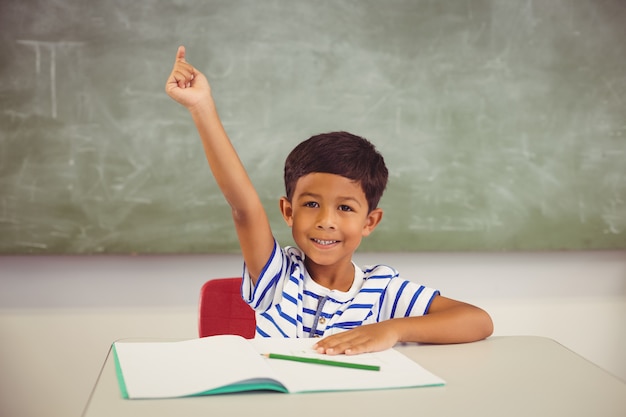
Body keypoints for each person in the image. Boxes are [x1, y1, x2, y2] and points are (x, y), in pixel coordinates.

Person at [166, 46, 493, 355]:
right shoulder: (278, 276)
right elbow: (243, 207)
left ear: (370, 222)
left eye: (345, 208)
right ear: (288, 211)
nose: (326, 220)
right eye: (310, 204)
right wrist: (201, 107)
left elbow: (478, 321)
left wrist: (391, 330)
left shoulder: (381, 289)